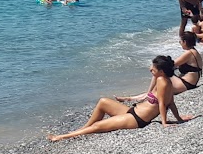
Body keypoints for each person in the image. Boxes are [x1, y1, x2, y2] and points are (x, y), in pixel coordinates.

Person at [47, 56, 186, 140]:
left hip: (137, 120)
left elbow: (163, 103)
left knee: (97, 126)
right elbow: (171, 102)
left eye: (153, 69)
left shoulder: (162, 82)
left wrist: (164, 123)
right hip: (132, 112)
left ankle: (62, 137)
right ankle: (82, 129)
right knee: (103, 102)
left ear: (161, 71)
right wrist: (179, 119)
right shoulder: (163, 79)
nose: (150, 69)